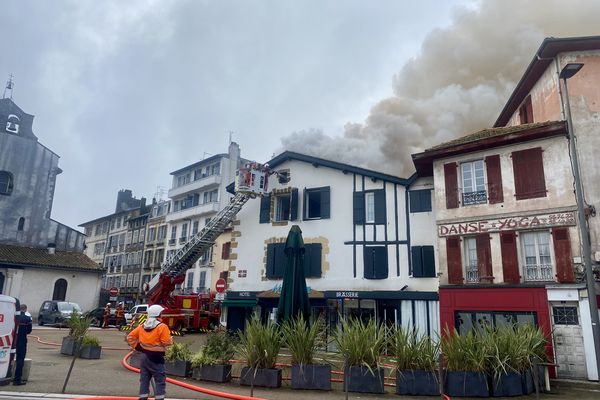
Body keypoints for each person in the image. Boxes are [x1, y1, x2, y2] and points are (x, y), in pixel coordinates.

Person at [126, 304, 172, 400]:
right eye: (161, 313)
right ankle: (159, 398)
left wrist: (139, 348)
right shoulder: (162, 327)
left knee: (144, 379)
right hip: (156, 358)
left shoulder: (143, 326)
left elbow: (130, 337)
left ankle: (143, 397)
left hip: (144, 356)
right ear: (158, 314)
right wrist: (171, 340)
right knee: (160, 380)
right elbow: (166, 342)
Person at [13, 304, 32, 386]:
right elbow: (29, 331)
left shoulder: (13, 317)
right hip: (22, 341)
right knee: (20, 360)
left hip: (11, 340)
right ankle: (17, 380)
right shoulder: (27, 319)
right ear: (25, 309)